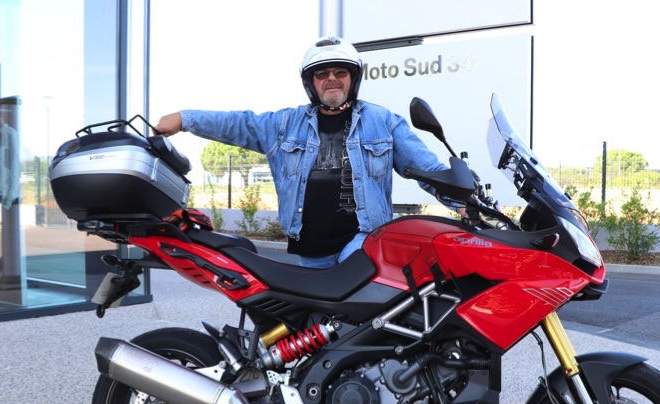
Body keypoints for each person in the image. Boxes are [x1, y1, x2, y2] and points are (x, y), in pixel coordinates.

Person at [155, 36, 460, 268]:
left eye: (340, 72)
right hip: (310, 251)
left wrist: (461, 198)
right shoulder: (283, 125)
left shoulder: (383, 123)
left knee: (365, 321)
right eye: (322, 73)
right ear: (310, 83)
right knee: (322, 333)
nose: (331, 78)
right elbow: (239, 123)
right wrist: (185, 119)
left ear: (353, 79)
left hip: (362, 242)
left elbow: (427, 170)